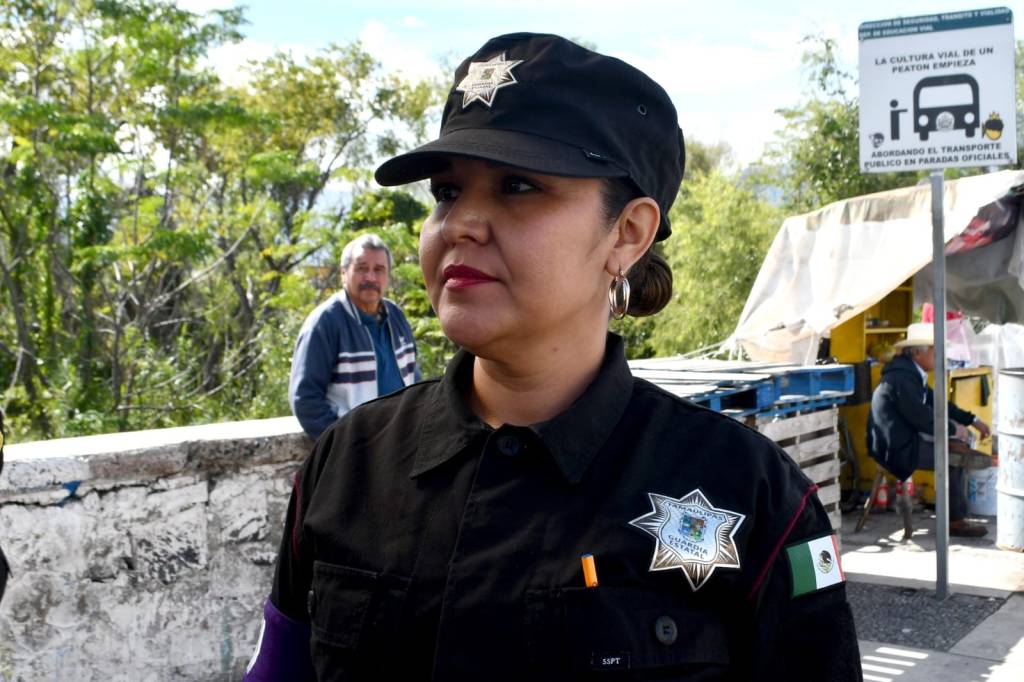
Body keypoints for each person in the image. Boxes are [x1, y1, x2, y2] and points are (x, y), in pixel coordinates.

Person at [246, 33, 861, 681]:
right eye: (448, 192)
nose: (461, 224)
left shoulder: (752, 495)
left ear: (626, 233)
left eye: (517, 186)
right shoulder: (350, 465)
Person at [288, 233, 420, 439]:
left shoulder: (396, 317)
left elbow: (414, 380)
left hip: (401, 444)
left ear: (388, 276)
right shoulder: (325, 322)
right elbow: (305, 399)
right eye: (361, 268)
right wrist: (345, 445)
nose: (370, 277)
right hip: (355, 453)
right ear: (343, 273)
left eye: (379, 270)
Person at [868, 322, 992, 537]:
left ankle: (956, 516)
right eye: (936, 351)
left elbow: (939, 404)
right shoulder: (902, 378)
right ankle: (956, 521)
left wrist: (972, 419)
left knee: (958, 449)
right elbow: (921, 418)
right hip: (894, 448)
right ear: (917, 353)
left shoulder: (912, 374)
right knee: (953, 457)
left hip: (905, 440)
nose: (940, 356)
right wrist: (953, 428)